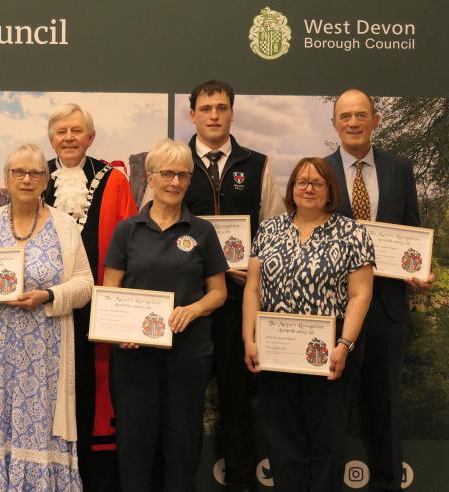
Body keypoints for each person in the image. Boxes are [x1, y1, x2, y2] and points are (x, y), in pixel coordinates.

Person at [0, 143, 93, 490]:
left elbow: (85, 285)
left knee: (43, 431)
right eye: (18, 172)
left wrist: (49, 296)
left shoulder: (66, 227)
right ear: (6, 178)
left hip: (46, 357)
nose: (26, 179)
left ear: (45, 180)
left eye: (35, 172)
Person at [243, 157, 375, 492]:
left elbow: (360, 294)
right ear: (291, 189)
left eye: (317, 183)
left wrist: (345, 345)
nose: (309, 188)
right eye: (302, 182)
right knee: (283, 440)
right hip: (276, 351)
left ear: (330, 189)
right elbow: (253, 288)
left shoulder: (352, 232)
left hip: (329, 351)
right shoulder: (270, 229)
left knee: (328, 442)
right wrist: (249, 338)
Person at [325, 89, 434, 492]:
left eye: (361, 115)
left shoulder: (399, 169)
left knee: (385, 410)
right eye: (345, 116)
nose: (353, 122)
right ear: (334, 124)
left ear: (376, 120)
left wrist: (417, 272)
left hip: (388, 310)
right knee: (333, 412)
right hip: (335, 313)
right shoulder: (319, 172)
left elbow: (411, 230)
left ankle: (388, 485)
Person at [104, 138, 228, 491]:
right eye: (168, 174)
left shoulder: (203, 231)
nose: (175, 182)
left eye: (183, 175)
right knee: (135, 446)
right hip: (134, 357)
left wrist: (193, 309)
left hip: (188, 356)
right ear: (151, 176)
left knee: (183, 445)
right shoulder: (127, 230)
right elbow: (110, 291)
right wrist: (119, 331)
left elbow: (218, 292)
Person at [182, 80, 285, 492]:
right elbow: (156, 233)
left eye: (221, 107)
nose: (213, 115)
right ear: (192, 114)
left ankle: (240, 484)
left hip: (242, 306)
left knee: (238, 405)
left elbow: (276, 232)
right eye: (205, 108)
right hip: (189, 306)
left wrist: (253, 272)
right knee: (184, 406)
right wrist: (217, 270)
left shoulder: (257, 164)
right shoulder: (175, 162)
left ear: (231, 113)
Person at [43, 103, 137, 490]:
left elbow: (130, 246)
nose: (68, 137)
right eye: (61, 131)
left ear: (90, 138)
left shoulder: (113, 180)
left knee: (91, 391)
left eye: (76, 131)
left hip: (98, 308)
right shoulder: (37, 175)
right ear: (52, 138)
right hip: (45, 307)